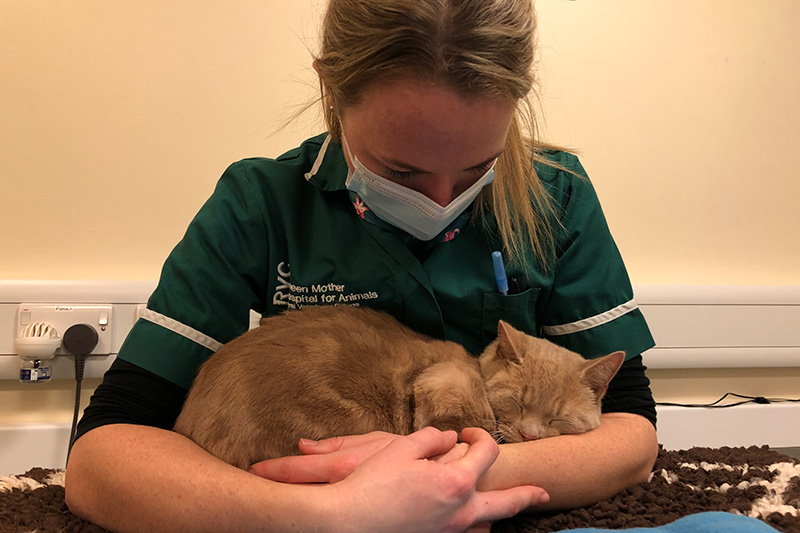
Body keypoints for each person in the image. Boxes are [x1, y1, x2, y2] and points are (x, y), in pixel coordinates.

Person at [65, 0, 659, 531]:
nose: (441, 198)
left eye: (479, 165)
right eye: (402, 173)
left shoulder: (558, 198)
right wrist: (335, 513)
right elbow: (101, 457)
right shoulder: (262, 203)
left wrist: (451, 480)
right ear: (331, 89)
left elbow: (631, 435)